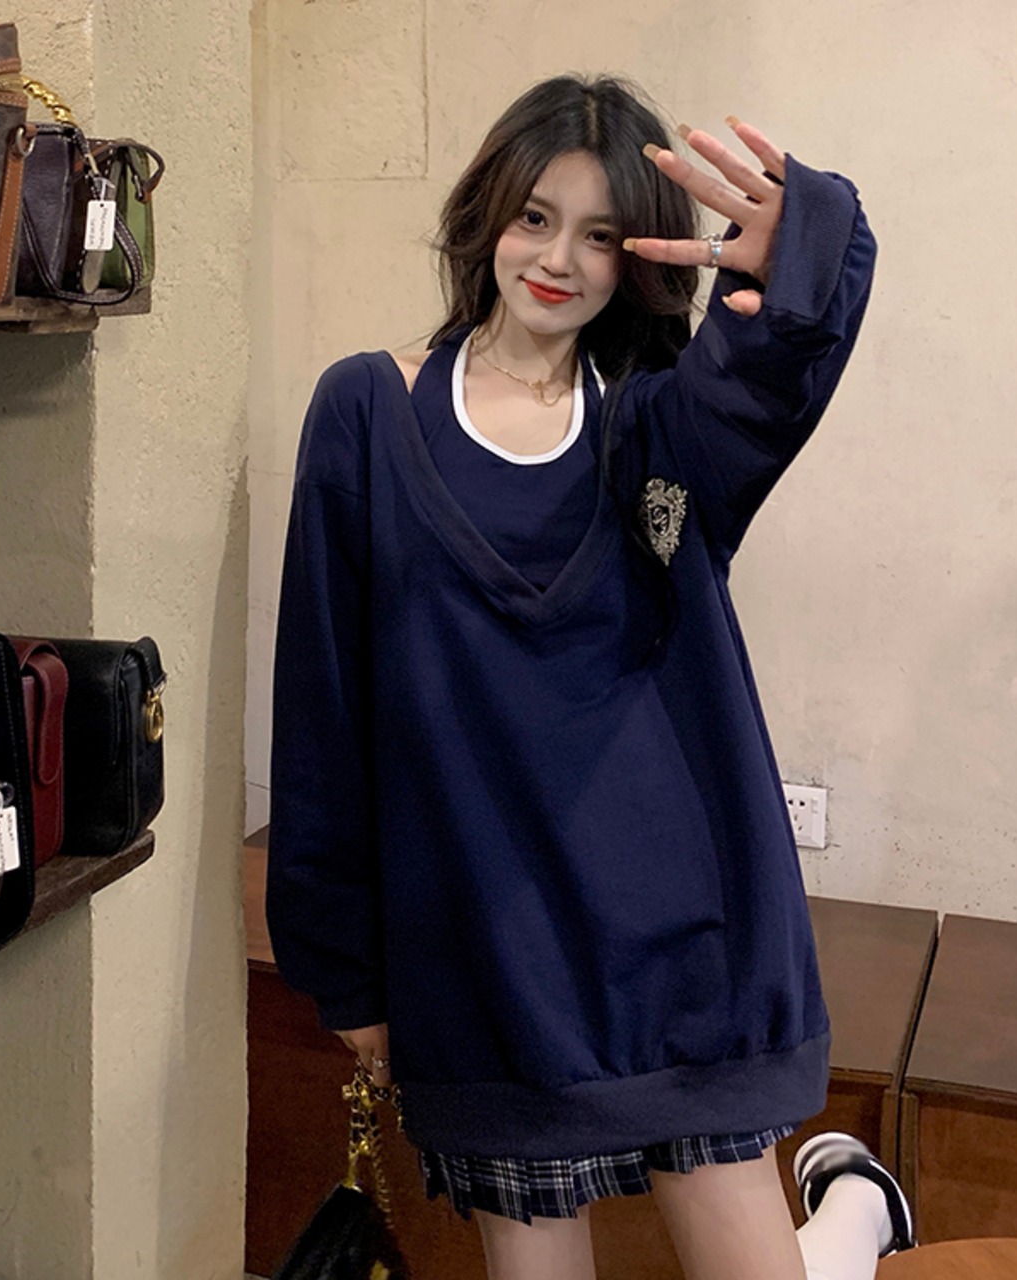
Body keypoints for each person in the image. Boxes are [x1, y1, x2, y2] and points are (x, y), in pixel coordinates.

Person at [267, 72, 913, 1280]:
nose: (558, 258)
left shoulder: (657, 432)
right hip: (488, 953)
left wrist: (801, 245)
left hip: (683, 943)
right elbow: (322, 709)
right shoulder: (366, 410)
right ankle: (856, 1211)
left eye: (600, 234)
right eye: (535, 216)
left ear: (637, 260)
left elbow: (771, 373)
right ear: (486, 214)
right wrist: (342, 964)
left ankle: (849, 1214)